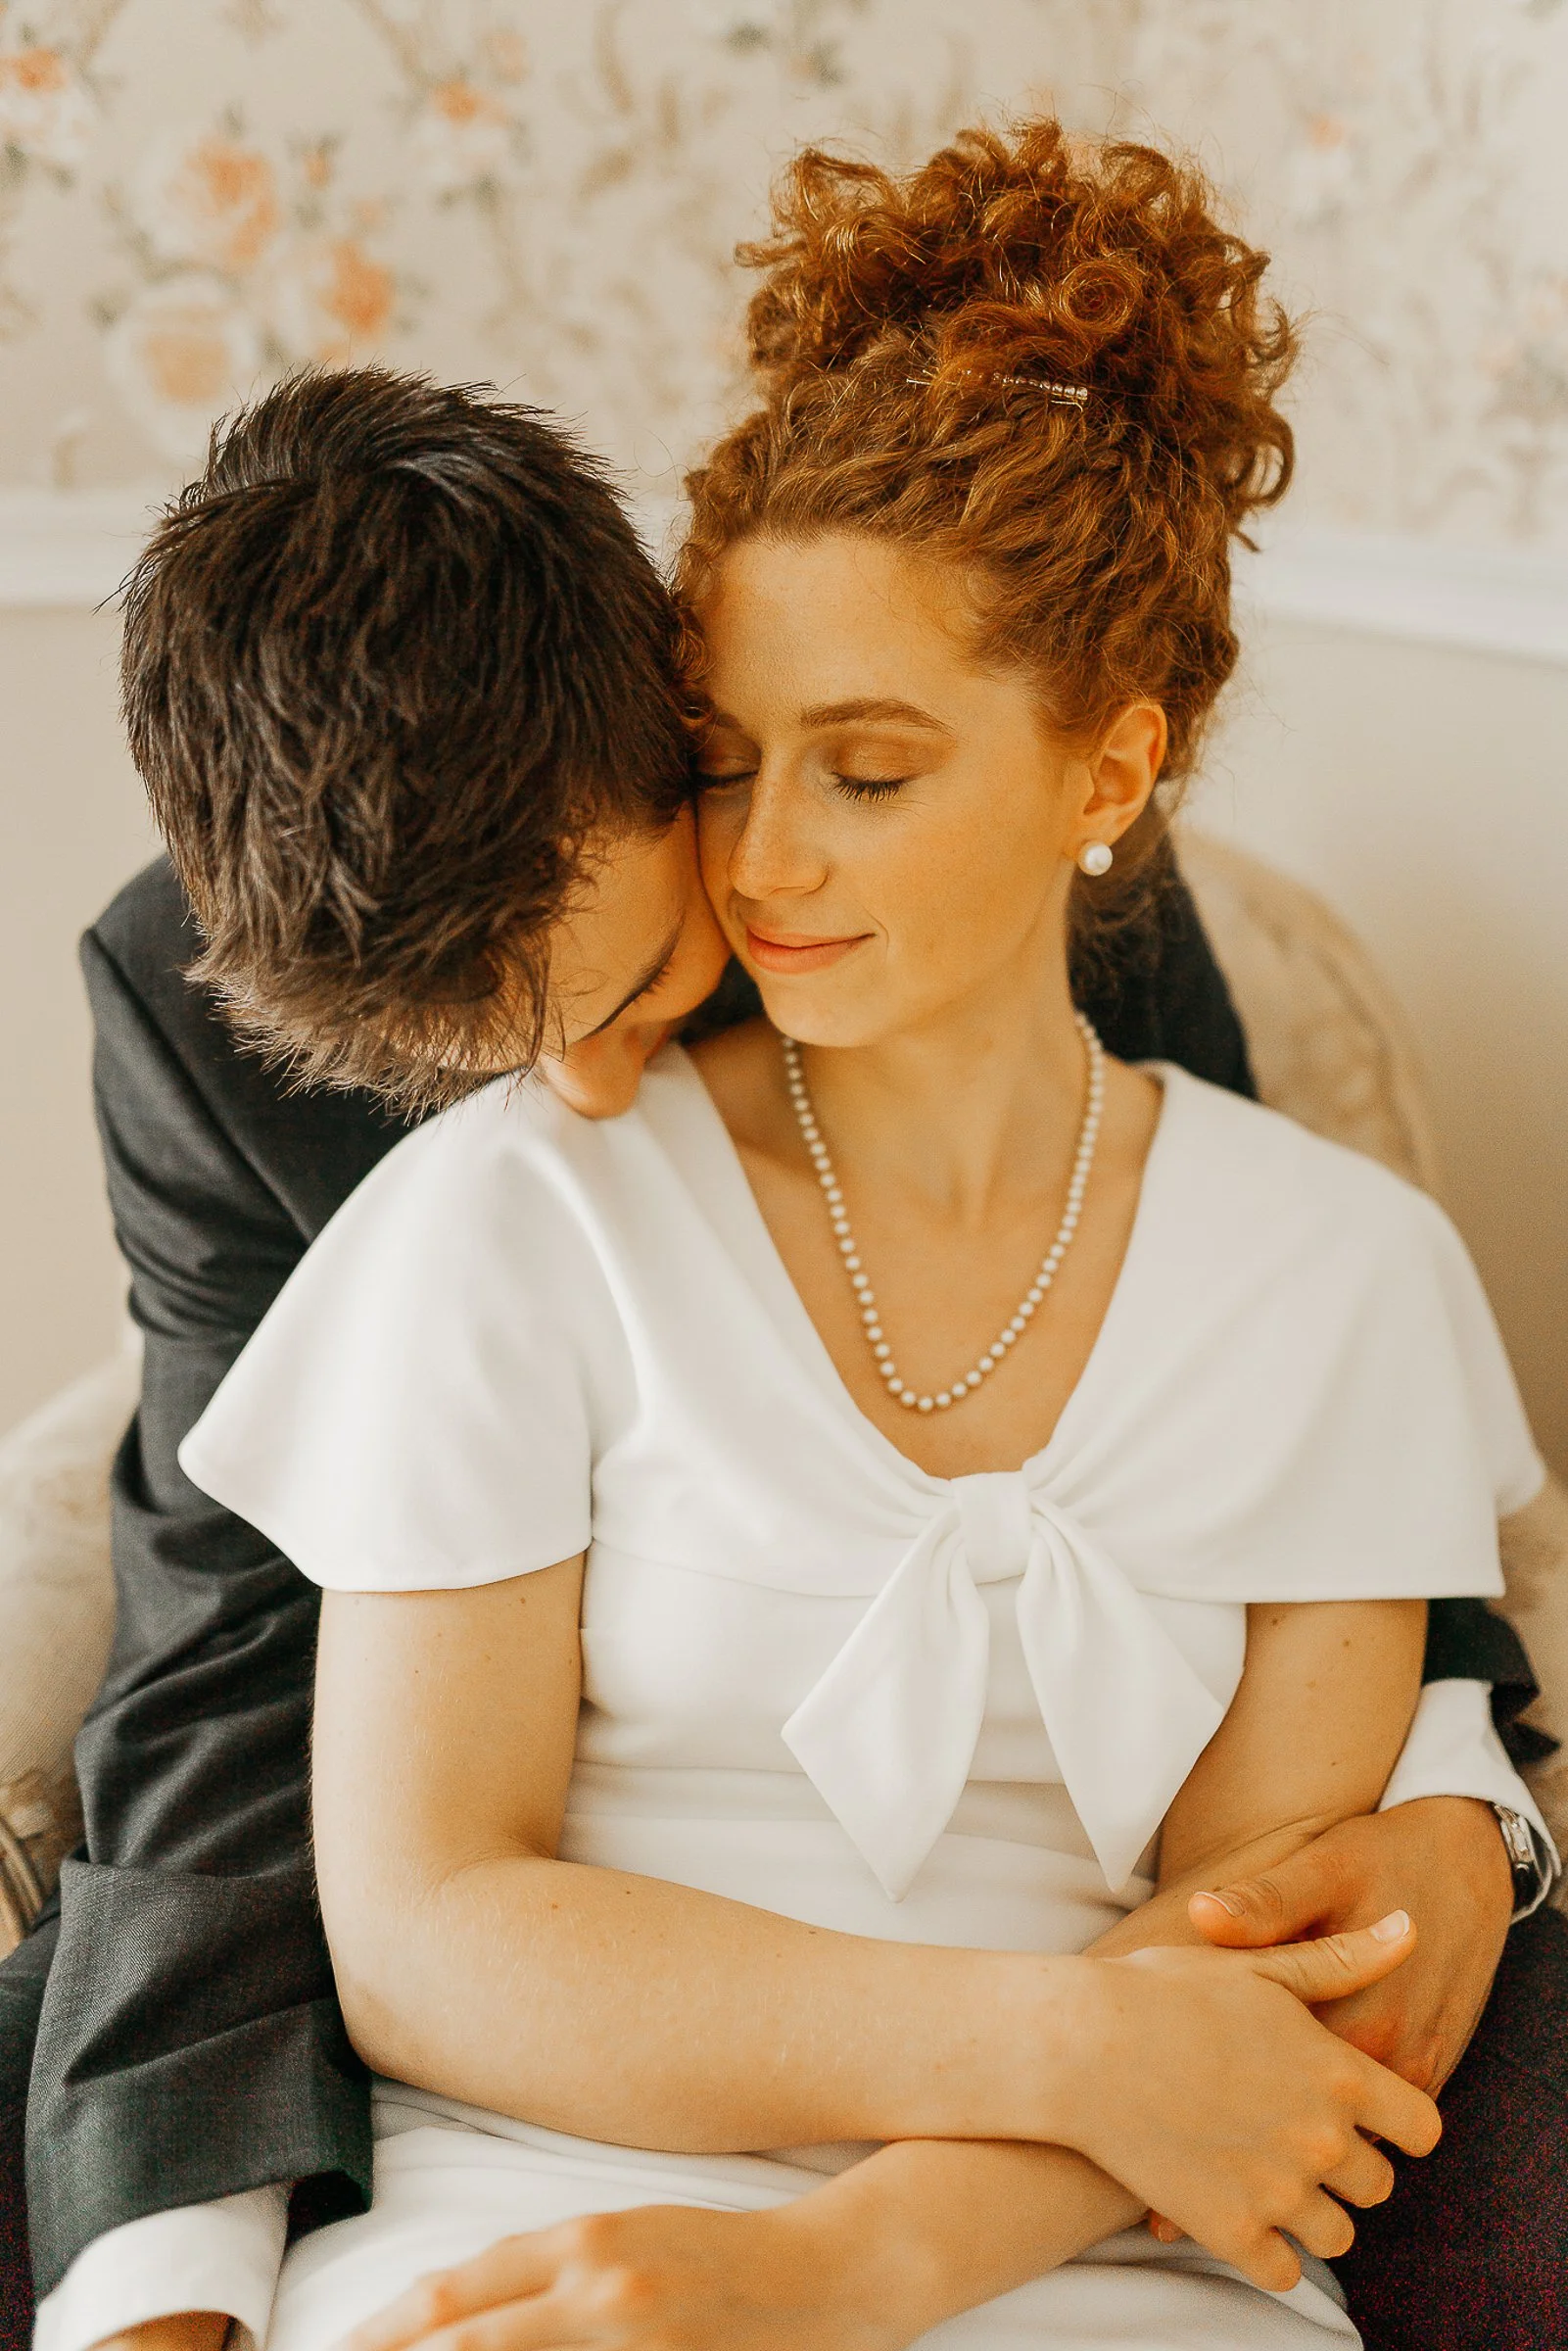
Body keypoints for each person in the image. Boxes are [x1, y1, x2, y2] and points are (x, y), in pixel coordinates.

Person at [24, 117, 1560, 2351]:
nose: (581, 1088)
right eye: (739, 768)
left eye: (860, 770)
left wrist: (1470, 1808)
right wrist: (161, 2293)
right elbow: (234, 1667)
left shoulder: (1235, 1131)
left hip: (1101, 2240)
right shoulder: (425, 1158)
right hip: (553, 2145)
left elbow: (1269, 1465)